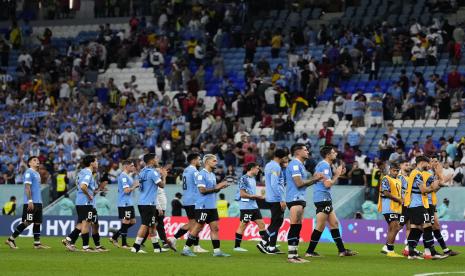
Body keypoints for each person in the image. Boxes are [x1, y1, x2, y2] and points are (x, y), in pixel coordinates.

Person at [306, 146, 357, 258]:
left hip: (323, 198)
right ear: (328, 155)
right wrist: (338, 174)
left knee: (334, 223)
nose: (336, 154)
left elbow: (321, 179)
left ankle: (342, 250)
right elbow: (327, 184)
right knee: (320, 225)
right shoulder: (324, 165)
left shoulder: (321, 164)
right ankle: (309, 251)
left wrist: (338, 173)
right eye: (333, 152)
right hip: (322, 198)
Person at [181, 154, 230, 257]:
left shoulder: (212, 175)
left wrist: (221, 187)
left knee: (215, 228)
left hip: (212, 206)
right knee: (198, 227)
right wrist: (218, 186)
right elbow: (202, 190)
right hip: (203, 206)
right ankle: (186, 249)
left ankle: (217, 251)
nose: (216, 162)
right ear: (207, 162)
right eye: (214, 161)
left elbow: (214, 190)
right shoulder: (200, 174)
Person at [286, 143, 325, 263]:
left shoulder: (301, 166)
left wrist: (314, 180)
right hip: (294, 198)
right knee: (294, 226)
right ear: (298, 152)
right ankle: (291, 256)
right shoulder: (295, 165)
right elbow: (299, 183)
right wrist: (315, 179)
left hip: (299, 198)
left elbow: (303, 184)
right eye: (305, 150)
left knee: (297, 226)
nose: (308, 152)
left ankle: (295, 254)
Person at [402, 156, 446, 260]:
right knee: (427, 226)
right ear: (422, 162)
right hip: (418, 205)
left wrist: (436, 186)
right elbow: (423, 190)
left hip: (413, 205)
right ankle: (432, 252)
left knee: (416, 228)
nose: (428, 165)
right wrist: (435, 186)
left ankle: (411, 253)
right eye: (427, 163)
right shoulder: (417, 174)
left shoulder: (415, 173)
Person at [62, 155, 107, 252]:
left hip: (81, 202)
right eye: (96, 161)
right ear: (91, 163)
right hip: (86, 202)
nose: (97, 163)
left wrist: (99, 189)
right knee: (86, 223)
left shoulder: (82, 172)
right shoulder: (88, 173)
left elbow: (88, 188)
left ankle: (69, 240)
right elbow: (83, 187)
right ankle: (85, 247)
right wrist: (89, 196)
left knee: (82, 223)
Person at [5, 156, 50, 249]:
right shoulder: (29, 172)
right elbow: (27, 187)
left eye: (37, 160)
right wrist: (30, 200)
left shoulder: (37, 173)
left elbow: (36, 189)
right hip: (31, 202)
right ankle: (11, 239)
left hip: (38, 202)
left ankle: (37, 243)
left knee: (37, 222)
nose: (37, 161)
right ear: (29, 163)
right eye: (34, 160)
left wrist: (40, 202)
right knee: (27, 222)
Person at [170, 153, 208, 253]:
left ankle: (193, 245)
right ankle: (176, 239)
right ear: (194, 160)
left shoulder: (186, 170)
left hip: (187, 200)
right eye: (199, 159)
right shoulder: (194, 171)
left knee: (193, 223)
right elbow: (200, 185)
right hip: (193, 201)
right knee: (197, 224)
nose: (200, 161)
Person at [130, 153, 167, 253]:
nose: (157, 160)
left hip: (142, 202)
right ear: (151, 160)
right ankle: (135, 247)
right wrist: (163, 176)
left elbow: (141, 187)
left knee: (152, 224)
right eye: (156, 158)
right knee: (145, 225)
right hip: (148, 203)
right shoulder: (153, 172)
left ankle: (156, 247)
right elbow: (162, 185)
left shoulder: (142, 172)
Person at [423, 156, 459, 256]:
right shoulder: (428, 173)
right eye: (433, 161)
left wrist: (442, 180)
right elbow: (431, 188)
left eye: (437, 161)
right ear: (429, 162)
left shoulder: (433, 174)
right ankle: (417, 249)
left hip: (432, 202)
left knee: (435, 226)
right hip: (426, 203)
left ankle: (444, 249)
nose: (436, 163)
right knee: (426, 227)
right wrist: (443, 180)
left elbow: (434, 189)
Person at [234, 163, 268, 252]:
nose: (258, 170)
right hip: (246, 206)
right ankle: (237, 247)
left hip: (254, 206)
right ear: (252, 168)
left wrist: (256, 197)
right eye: (257, 168)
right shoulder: (244, 178)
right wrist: (256, 196)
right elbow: (242, 194)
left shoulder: (252, 179)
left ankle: (265, 243)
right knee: (243, 225)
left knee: (262, 224)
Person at [110, 160, 139, 249]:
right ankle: (124, 243)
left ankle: (115, 237)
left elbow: (131, 186)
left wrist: (137, 183)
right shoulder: (123, 176)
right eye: (132, 165)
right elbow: (126, 191)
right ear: (126, 166)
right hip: (124, 203)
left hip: (129, 202)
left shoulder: (128, 176)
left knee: (133, 221)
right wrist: (135, 187)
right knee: (126, 221)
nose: (133, 167)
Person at [263, 148, 288, 254]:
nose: (286, 159)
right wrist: (281, 199)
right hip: (276, 199)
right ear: (281, 157)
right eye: (285, 157)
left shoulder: (269, 165)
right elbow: (274, 184)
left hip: (270, 197)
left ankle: (272, 247)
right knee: (277, 222)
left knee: (275, 222)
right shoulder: (276, 167)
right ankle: (263, 241)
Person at [378, 162, 404, 257]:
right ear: (390, 170)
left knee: (393, 228)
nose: (396, 172)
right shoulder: (386, 179)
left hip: (396, 207)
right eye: (394, 170)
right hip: (388, 207)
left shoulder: (398, 180)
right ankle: (390, 250)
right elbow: (386, 193)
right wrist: (399, 200)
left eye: (397, 171)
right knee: (395, 226)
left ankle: (386, 247)